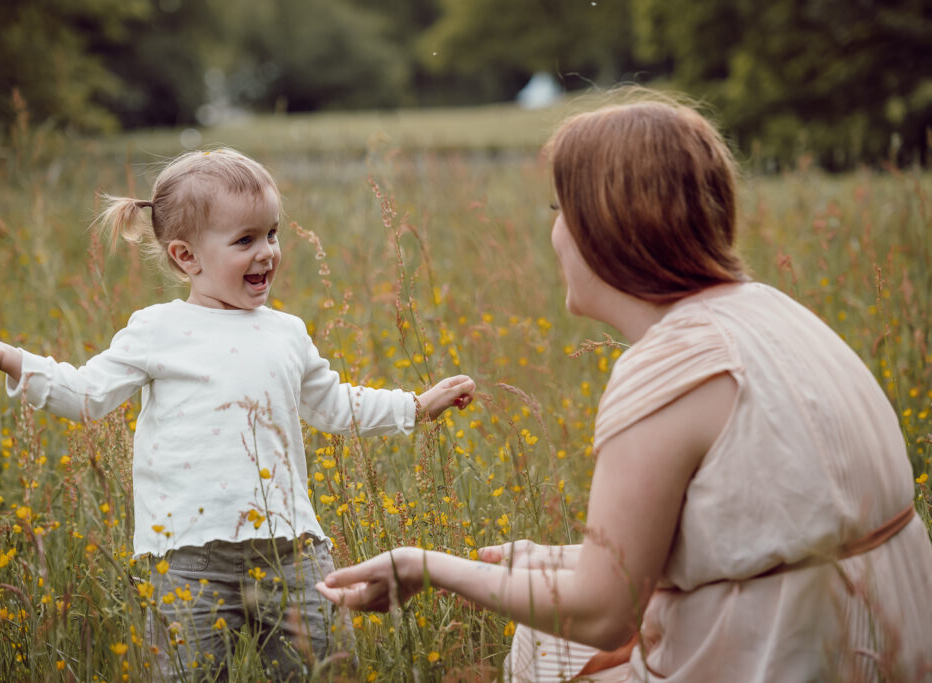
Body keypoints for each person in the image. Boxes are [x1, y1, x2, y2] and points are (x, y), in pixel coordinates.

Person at [316, 95, 932, 681]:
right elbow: (768, 541)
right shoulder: (779, 313)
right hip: (882, 650)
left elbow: (603, 612)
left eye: (559, 212)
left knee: (551, 643)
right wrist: (554, 559)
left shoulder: (668, 369)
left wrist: (424, 567)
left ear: (602, 227)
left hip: (782, 660)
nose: (554, 235)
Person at [0, 148, 475, 682]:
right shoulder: (156, 329)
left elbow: (333, 404)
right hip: (187, 559)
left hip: (292, 554)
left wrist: (415, 407)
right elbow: (88, 394)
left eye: (272, 234)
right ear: (187, 257)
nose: (267, 253)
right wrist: (8, 358)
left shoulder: (287, 332)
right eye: (245, 240)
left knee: (320, 670)